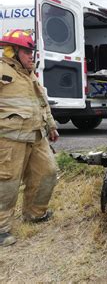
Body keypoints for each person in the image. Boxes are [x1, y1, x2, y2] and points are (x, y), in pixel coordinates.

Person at [0, 29, 59, 247]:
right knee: (7, 182)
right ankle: (1, 229)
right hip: (9, 139)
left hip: (36, 135)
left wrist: (51, 126)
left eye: (31, 51)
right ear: (12, 51)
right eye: (26, 51)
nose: (30, 56)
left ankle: (35, 213)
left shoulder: (30, 74)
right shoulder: (1, 70)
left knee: (48, 172)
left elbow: (42, 102)